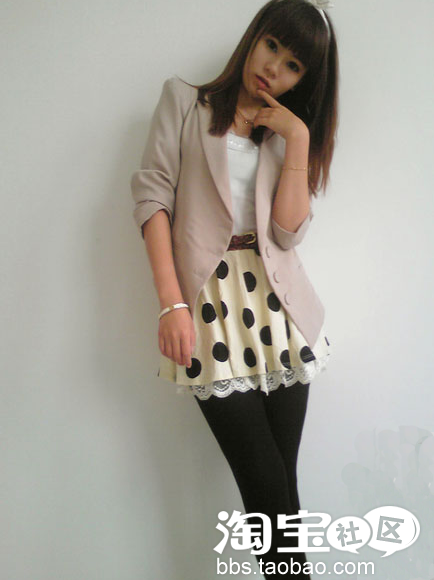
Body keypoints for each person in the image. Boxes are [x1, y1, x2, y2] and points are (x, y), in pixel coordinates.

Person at [130, 0, 339, 577]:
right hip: (210, 307)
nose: (274, 67)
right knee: (262, 480)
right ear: (254, 36)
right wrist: (171, 302)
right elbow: (152, 198)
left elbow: (287, 233)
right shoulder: (184, 101)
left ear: (304, 80)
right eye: (272, 46)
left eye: (293, 65)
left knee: (281, 485)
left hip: (280, 310)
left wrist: (298, 139)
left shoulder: (286, 133)